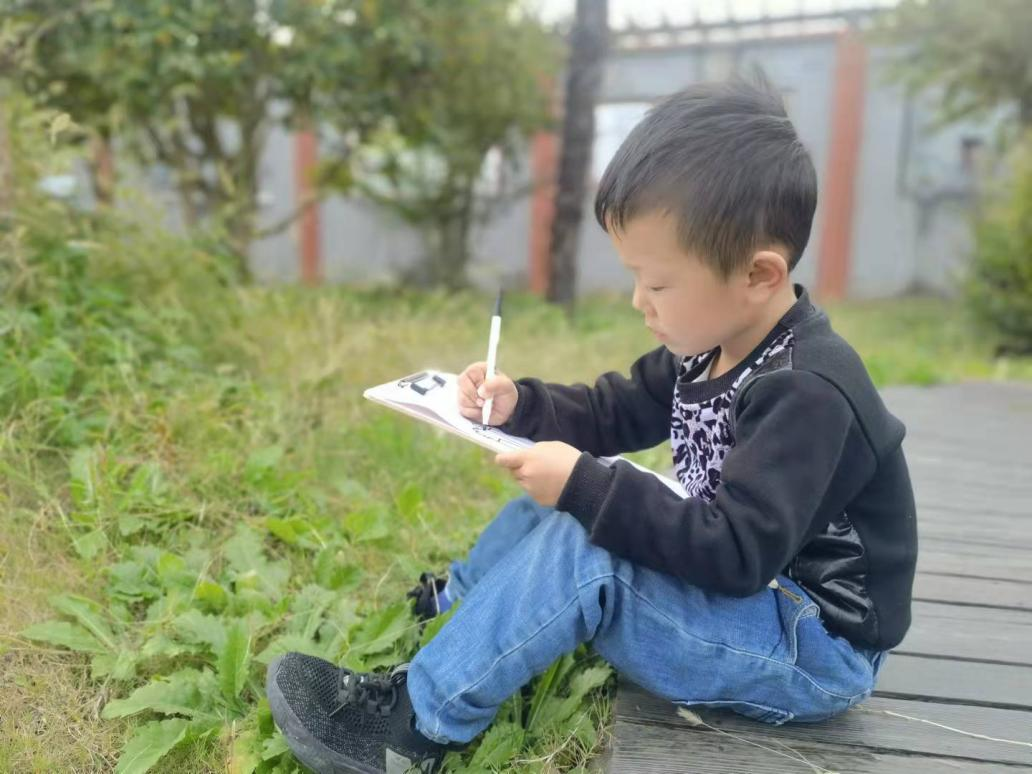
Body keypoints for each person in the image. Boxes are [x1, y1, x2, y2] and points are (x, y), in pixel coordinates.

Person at [266, 77, 919, 774]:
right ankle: (456, 611)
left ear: (759, 274)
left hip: (807, 646)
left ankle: (412, 729)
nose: (639, 301)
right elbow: (614, 411)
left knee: (589, 536)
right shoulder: (712, 343)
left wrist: (586, 487)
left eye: (658, 283)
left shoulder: (806, 391)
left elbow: (736, 554)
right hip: (751, 597)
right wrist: (521, 407)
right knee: (564, 501)